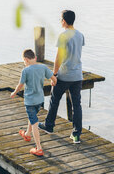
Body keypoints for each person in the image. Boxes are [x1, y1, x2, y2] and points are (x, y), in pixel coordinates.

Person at [38, 10, 85, 144]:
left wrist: (53, 74)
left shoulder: (63, 36)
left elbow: (59, 57)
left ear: (64, 21)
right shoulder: (80, 35)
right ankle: (76, 134)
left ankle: (49, 126)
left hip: (64, 75)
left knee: (54, 100)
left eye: (60, 19)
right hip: (77, 75)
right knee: (77, 105)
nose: (60, 22)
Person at [10, 49, 57, 156]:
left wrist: (14, 93)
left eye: (24, 61)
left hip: (30, 101)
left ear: (26, 59)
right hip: (40, 100)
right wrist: (53, 82)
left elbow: (20, 85)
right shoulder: (43, 67)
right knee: (33, 117)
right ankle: (27, 134)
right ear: (35, 57)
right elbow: (54, 79)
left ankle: (39, 148)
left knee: (35, 122)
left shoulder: (25, 71)